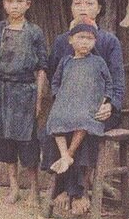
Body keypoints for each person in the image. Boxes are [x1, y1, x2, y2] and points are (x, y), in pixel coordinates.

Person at [43, 0, 126, 216]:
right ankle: (65, 186)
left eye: (89, 3)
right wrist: (62, 100)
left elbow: (117, 82)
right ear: (70, 8)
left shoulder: (109, 42)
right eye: (77, 3)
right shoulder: (63, 41)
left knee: (87, 127)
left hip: (100, 108)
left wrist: (111, 105)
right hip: (69, 106)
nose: (83, 8)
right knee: (55, 126)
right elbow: (53, 76)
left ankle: (77, 190)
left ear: (99, 8)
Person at [0, 0, 48, 205]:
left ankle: (34, 190)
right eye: (10, 1)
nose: (15, 5)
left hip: (25, 92)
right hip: (2, 92)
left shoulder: (34, 32)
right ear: (4, 4)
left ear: (28, 4)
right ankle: (13, 187)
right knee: (6, 140)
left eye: (20, 1)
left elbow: (41, 68)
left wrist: (38, 99)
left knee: (28, 141)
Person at [46, 23, 113, 174]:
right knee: (55, 118)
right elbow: (55, 81)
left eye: (90, 38)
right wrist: (58, 96)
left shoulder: (98, 62)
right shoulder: (66, 61)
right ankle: (65, 154)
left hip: (88, 102)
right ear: (70, 40)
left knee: (84, 119)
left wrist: (106, 98)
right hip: (67, 102)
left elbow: (109, 83)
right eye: (81, 37)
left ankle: (69, 153)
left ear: (95, 41)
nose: (85, 42)